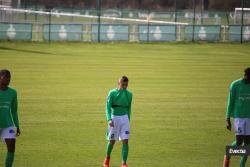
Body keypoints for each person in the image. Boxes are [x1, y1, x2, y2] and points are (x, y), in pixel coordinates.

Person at [103, 76, 133, 167]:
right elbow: (107, 107)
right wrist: (109, 119)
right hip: (114, 118)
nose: (125, 87)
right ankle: (107, 158)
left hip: (124, 119)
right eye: (123, 85)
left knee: (125, 141)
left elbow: (129, 108)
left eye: (126, 85)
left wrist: (128, 119)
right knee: (112, 141)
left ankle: (124, 163)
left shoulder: (130, 94)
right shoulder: (112, 93)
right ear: (118, 84)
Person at [223, 68, 250, 167]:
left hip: (249, 117)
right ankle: (229, 152)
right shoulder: (235, 85)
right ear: (247, 76)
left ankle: (242, 165)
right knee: (239, 142)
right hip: (239, 117)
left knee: (248, 142)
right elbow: (230, 102)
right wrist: (227, 118)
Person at [0, 69, 21, 167]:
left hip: (8, 125)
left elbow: (14, 110)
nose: (8, 80)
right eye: (6, 77)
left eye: (9, 78)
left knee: (12, 146)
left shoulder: (13, 93)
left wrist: (17, 126)